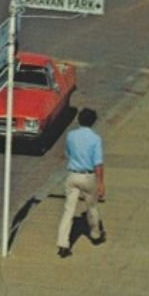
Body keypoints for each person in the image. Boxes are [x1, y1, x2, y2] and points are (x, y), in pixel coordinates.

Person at [57, 108, 105, 258]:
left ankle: (63, 243)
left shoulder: (71, 136)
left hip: (72, 175)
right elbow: (98, 164)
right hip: (87, 176)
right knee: (92, 207)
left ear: (79, 120)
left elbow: (68, 154)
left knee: (68, 210)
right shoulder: (95, 139)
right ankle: (95, 234)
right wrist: (101, 183)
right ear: (93, 122)